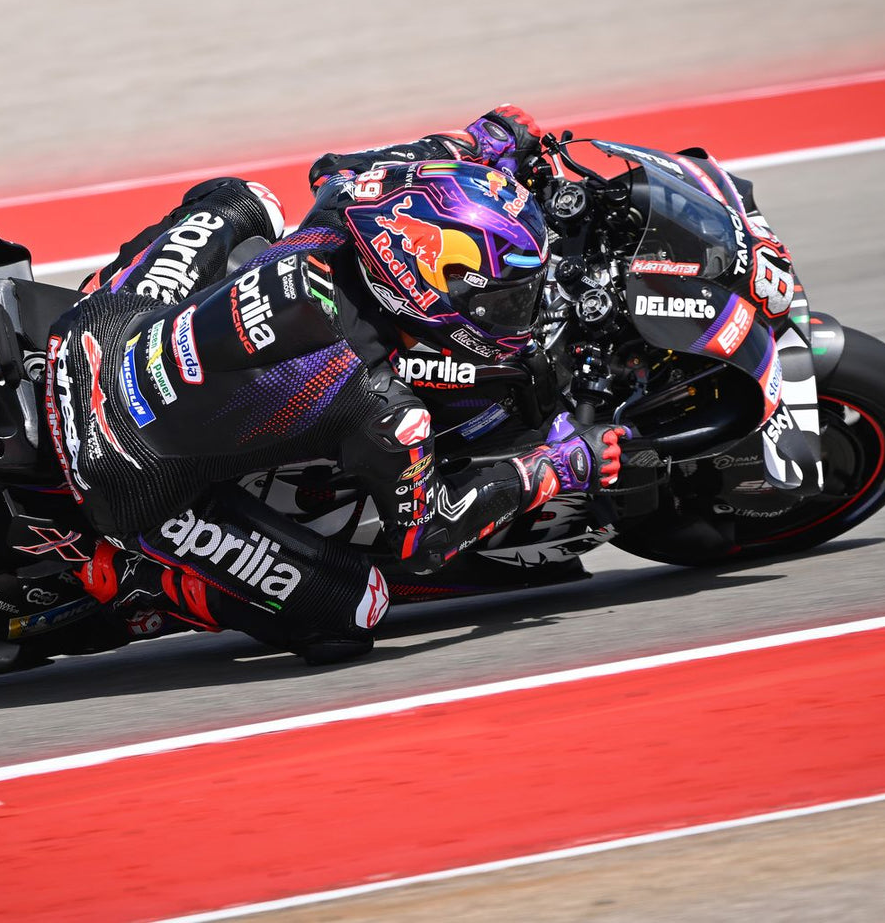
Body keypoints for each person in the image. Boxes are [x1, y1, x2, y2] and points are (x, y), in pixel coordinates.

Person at [47, 106, 628, 664]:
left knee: (244, 199)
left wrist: (475, 144)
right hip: (120, 472)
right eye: (500, 300)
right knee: (355, 611)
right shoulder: (382, 407)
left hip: (92, 337)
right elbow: (425, 543)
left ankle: (97, 290)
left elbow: (347, 165)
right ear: (424, 285)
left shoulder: (342, 210)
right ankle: (132, 576)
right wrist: (558, 466)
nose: (514, 316)